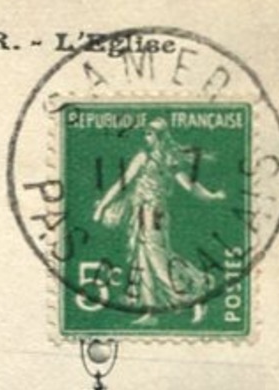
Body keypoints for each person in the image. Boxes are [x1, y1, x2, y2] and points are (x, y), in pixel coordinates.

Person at [92, 116, 227, 316]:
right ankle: (150, 309)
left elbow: (188, 185)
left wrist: (212, 196)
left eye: (150, 134)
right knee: (143, 256)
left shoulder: (153, 158)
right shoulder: (162, 158)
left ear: (159, 136)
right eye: (146, 133)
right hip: (145, 212)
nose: (146, 137)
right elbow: (124, 182)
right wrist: (102, 206)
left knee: (157, 257)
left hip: (152, 212)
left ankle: (193, 292)